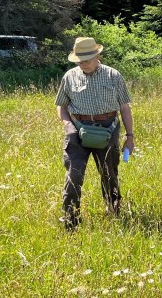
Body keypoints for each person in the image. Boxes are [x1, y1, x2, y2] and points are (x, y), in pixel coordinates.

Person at [55, 37, 135, 230]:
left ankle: (114, 215)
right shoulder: (70, 77)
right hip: (77, 131)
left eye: (86, 59)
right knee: (73, 176)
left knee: (109, 174)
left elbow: (124, 107)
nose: (82, 63)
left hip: (107, 129)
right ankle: (71, 221)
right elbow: (61, 106)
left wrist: (129, 137)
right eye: (79, 60)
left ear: (98, 55)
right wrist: (68, 125)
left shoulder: (113, 76)